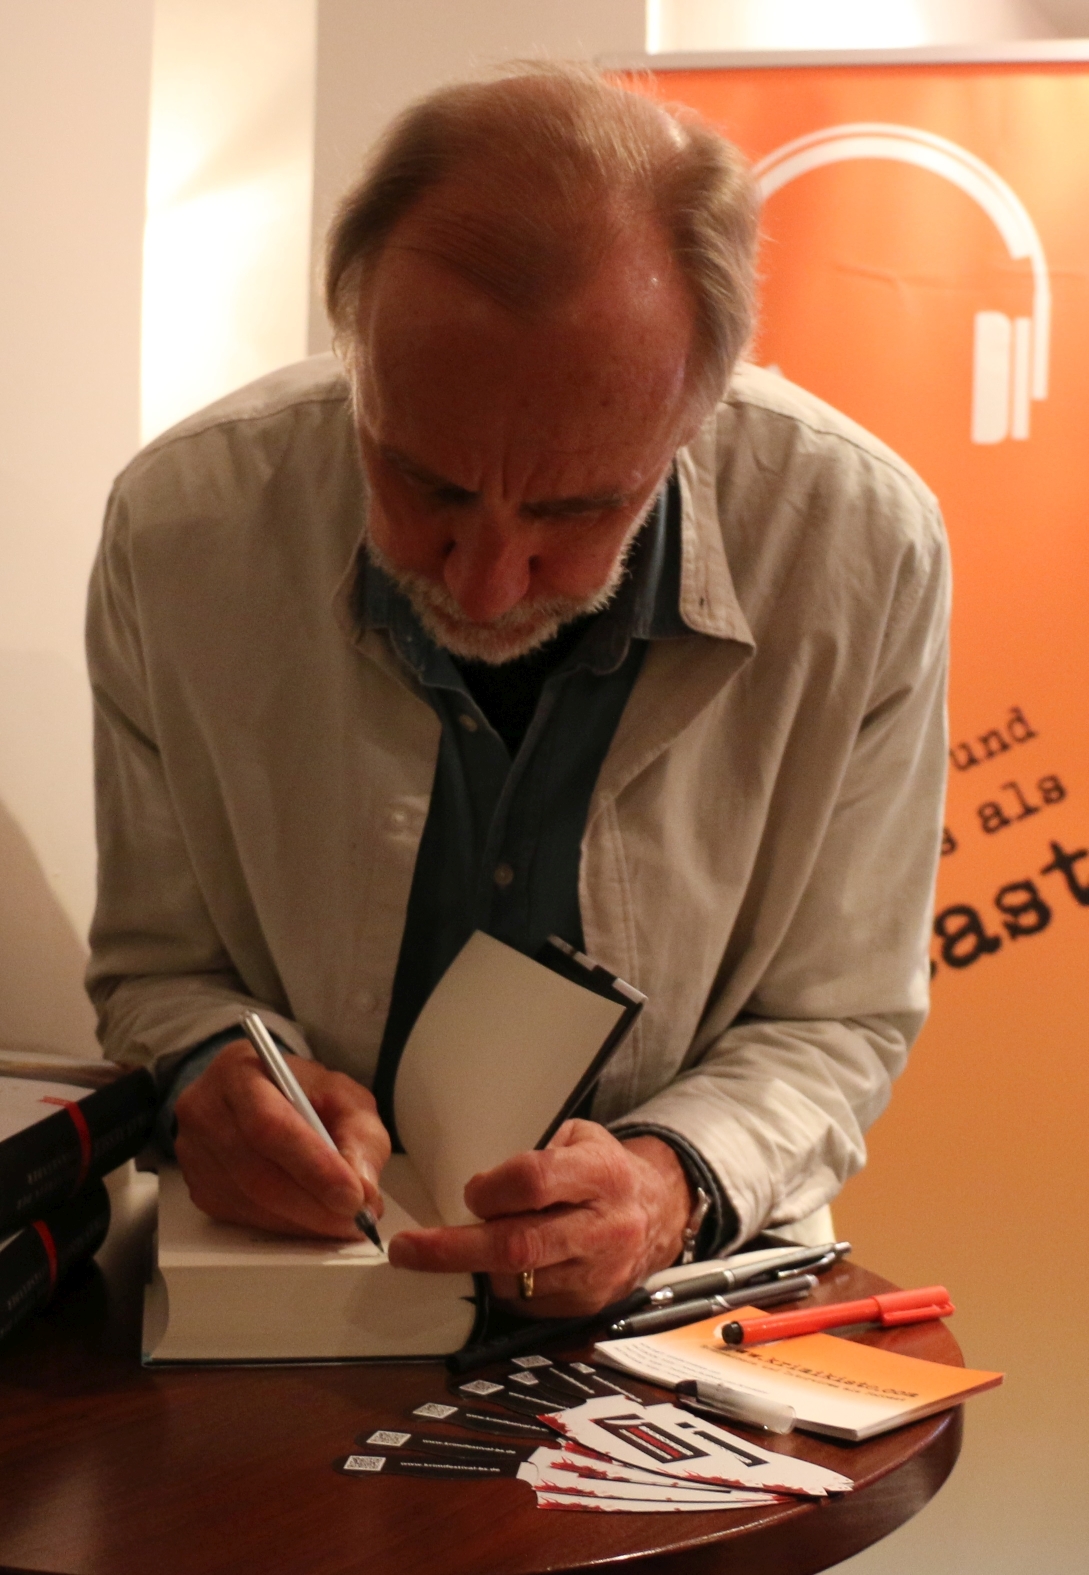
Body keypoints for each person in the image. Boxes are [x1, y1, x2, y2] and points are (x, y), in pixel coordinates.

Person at [86, 65, 949, 1319]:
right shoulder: (183, 529)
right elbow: (155, 967)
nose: (485, 585)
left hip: (684, 1302)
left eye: (576, 507)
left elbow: (841, 1019)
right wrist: (208, 1072)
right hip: (284, 1296)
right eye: (425, 482)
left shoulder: (860, 548)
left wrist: (665, 1185)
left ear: (696, 414)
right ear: (353, 348)